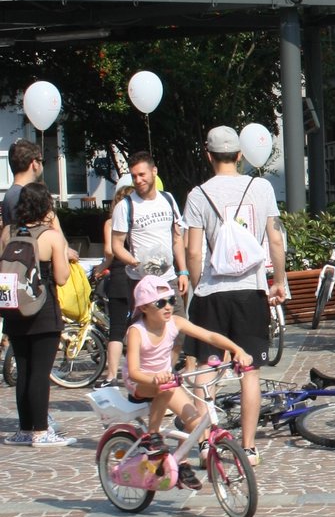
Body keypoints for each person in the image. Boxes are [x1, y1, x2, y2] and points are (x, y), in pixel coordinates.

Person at [183, 126, 287, 465]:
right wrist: (278, 281)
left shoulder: (198, 194)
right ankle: (250, 446)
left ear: (207, 154)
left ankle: (204, 443)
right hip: (250, 290)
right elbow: (275, 239)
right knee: (250, 369)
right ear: (240, 155)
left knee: (205, 369)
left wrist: (199, 287)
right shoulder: (261, 188)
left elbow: (194, 252)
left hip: (212, 292)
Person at [123, 276, 251, 489]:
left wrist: (237, 349)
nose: (168, 307)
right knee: (165, 387)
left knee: (193, 420)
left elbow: (209, 336)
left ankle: (179, 462)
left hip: (166, 380)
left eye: (171, 301)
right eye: (160, 303)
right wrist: (154, 377)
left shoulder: (174, 322)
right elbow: (134, 371)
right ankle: (151, 437)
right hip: (140, 382)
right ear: (144, 307)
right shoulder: (137, 331)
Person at [2, 184, 75, 446]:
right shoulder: (51, 237)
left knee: (23, 370)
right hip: (43, 309)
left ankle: (24, 428)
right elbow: (62, 277)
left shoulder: (8, 233)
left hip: (14, 308)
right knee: (40, 372)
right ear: (46, 206)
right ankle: (41, 431)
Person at [108, 152, 188, 384]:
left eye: (142, 174)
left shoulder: (168, 199)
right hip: (142, 282)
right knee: (146, 334)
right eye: (134, 176)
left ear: (154, 172)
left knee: (178, 329)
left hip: (169, 278)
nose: (138, 180)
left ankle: (167, 373)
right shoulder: (126, 206)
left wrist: (182, 271)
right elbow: (116, 245)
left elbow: (177, 238)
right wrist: (134, 262)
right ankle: (145, 379)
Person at [99, 182, 136, 388]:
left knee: (116, 329)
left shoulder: (111, 222)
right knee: (138, 329)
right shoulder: (138, 219)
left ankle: (111, 375)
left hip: (118, 275)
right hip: (136, 276)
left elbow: (109, 250)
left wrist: (103, 265)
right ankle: (134, 374)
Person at [1, 140, 46, 244]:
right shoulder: (22, 195)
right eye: (42, 161)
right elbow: (33, 235)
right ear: (34, 163)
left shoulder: (12, 194)